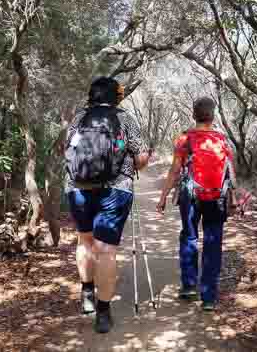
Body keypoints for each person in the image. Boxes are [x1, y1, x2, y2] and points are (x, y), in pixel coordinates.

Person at [64, 77, 150, 333]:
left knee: (84, 241)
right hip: (115, 190)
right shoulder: (124, 119)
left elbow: (66, 151)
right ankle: (103, 312)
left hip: (78, 189)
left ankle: (87, 293)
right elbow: (142, 156)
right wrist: (131, 164)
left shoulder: (78, 118)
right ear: (116, 96)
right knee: (106, 250)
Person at [156, 96, 237, 311]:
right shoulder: (222, 140)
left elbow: (174, 171)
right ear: (212, 116)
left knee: (189, 237)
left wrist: (163, 196)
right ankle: (209, 297)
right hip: (217, 197)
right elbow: (230, 173)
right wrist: (234, 199)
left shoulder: (184, 139)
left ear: (194, 114)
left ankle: (189, 287)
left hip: (190, 197)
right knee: (213, 242)